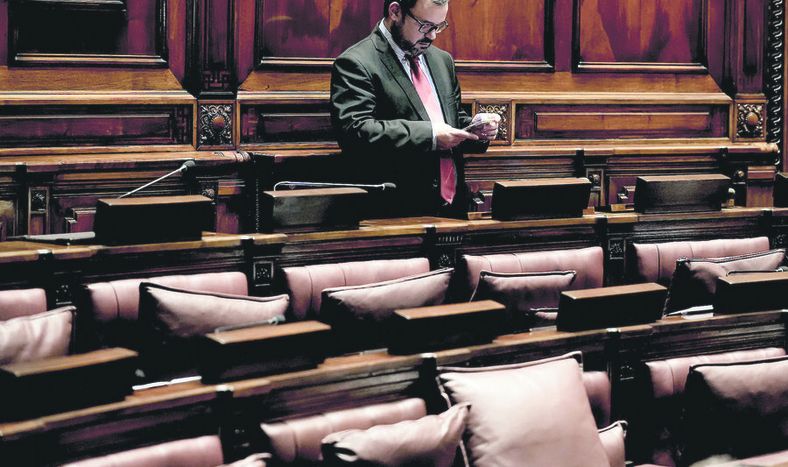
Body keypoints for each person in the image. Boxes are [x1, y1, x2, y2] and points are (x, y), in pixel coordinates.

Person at [330, 0, 500, 218]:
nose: (432, 36)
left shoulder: (442, 60)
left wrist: (475, 129)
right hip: (396, 212)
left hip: (452, 210)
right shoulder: (356, 62)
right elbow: (355, 131)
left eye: (438, 26)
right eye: (425, 26)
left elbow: (450, 119)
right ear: (395, 11)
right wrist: (429, 135)